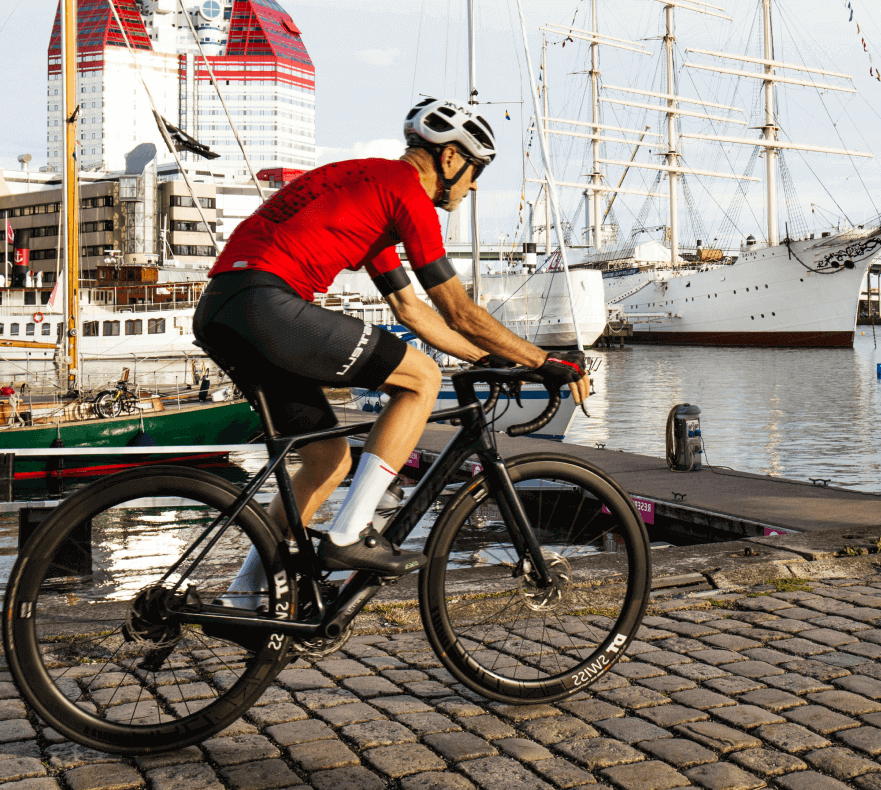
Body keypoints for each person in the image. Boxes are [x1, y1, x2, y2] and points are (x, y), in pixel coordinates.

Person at [194, 97, 590, 587]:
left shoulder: (370, 189)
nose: (474, 186)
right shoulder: (407, 194)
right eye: (476, 171)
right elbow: (459, 311)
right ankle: (349, 533)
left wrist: (492, 358)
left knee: (327, 461)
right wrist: (544, 360)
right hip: (267, 304)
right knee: (422, 377)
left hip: (222, 309)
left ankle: (243, 596)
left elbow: (411, 310)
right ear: (450, 157)